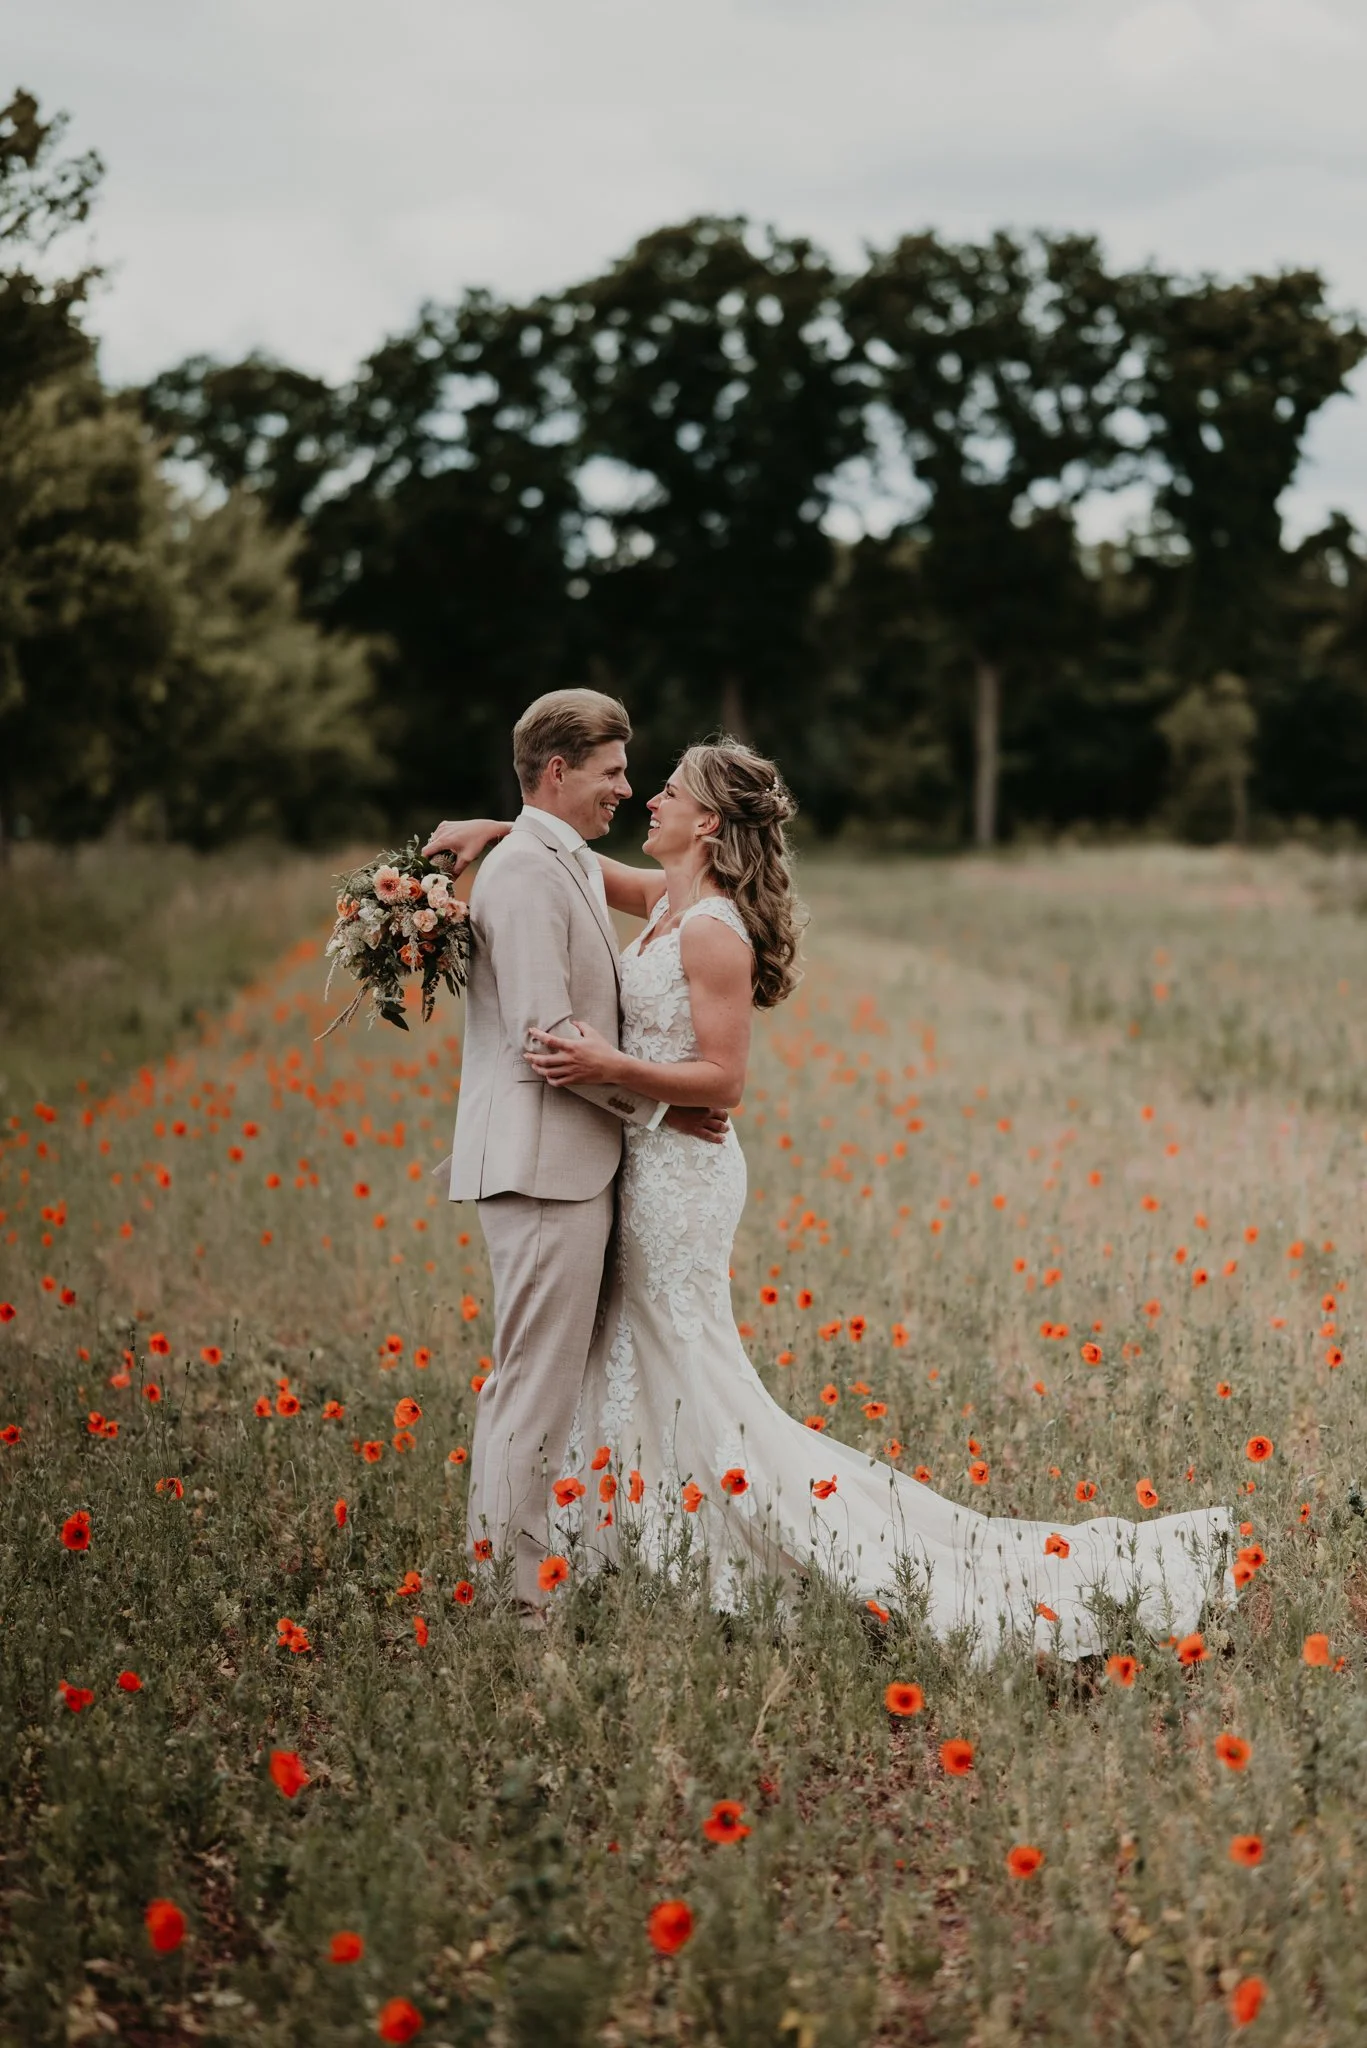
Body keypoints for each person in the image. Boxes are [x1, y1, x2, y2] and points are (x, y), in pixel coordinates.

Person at [430, 735, 1234, 1660]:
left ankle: (782, 1546)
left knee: (689, 1365)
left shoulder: (708, 928)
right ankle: (636, 1544)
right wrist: (498, 828)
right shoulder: (665, 900)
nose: (647, 799)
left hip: (681, 1180)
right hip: (644, 1159)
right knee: (637, 1358)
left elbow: (723, 1082)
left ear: (709, 821)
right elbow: (567, 859)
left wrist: (612, 1069)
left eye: (669, 792)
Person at [424, 689, 725, 1624]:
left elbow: (652, 891)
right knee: (532, 1381)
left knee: (545, 1378)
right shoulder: (524, 873)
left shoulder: (551, 860)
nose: (626, 791)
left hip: (571, 1164)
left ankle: (532, 1571)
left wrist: (492, 824)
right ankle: (515, 1602)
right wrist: (661, 1114)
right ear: (559, 772)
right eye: (611, 772)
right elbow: (547, 1041)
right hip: (545, 1166)